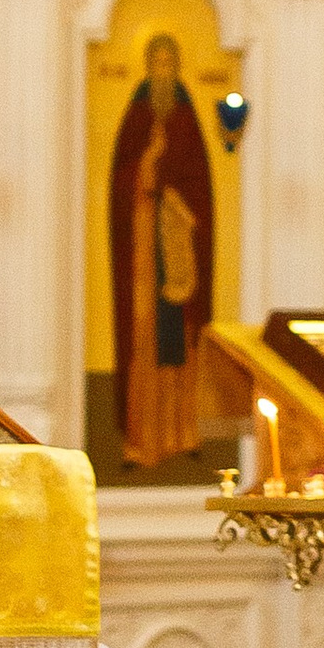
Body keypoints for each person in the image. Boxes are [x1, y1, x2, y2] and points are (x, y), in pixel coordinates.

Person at [108, 33, 215, 466]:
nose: (163, 71)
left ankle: (183, 435)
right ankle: (141, 441)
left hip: (179, 246)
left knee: (180, 338)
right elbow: (121, 179)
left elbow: (201, 186)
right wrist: (146, 168)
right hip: (141, 247)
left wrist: (177, 196)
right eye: (157, 63)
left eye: (170, 64)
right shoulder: (135, 118)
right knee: (144, 336)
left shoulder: (188, 120)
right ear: (148, 68)